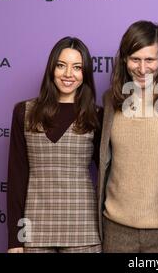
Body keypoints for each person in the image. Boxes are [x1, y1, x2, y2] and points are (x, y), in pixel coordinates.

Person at [98, 20, 158, 252]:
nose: (142, 68)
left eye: (149, 59)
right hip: (116, 229)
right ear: (124, 60)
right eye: (135, 59)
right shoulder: (111, 99)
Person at [7, 36, 102, 253]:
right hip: (33, 231)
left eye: (77, 67)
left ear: (85, 74)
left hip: (84, 229)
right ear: (52, 68)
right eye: (61, 65)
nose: (68, 74)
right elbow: (16, 178)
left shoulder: (96, 116)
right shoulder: (24, 112)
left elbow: (110, 176)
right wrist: (15, 240)